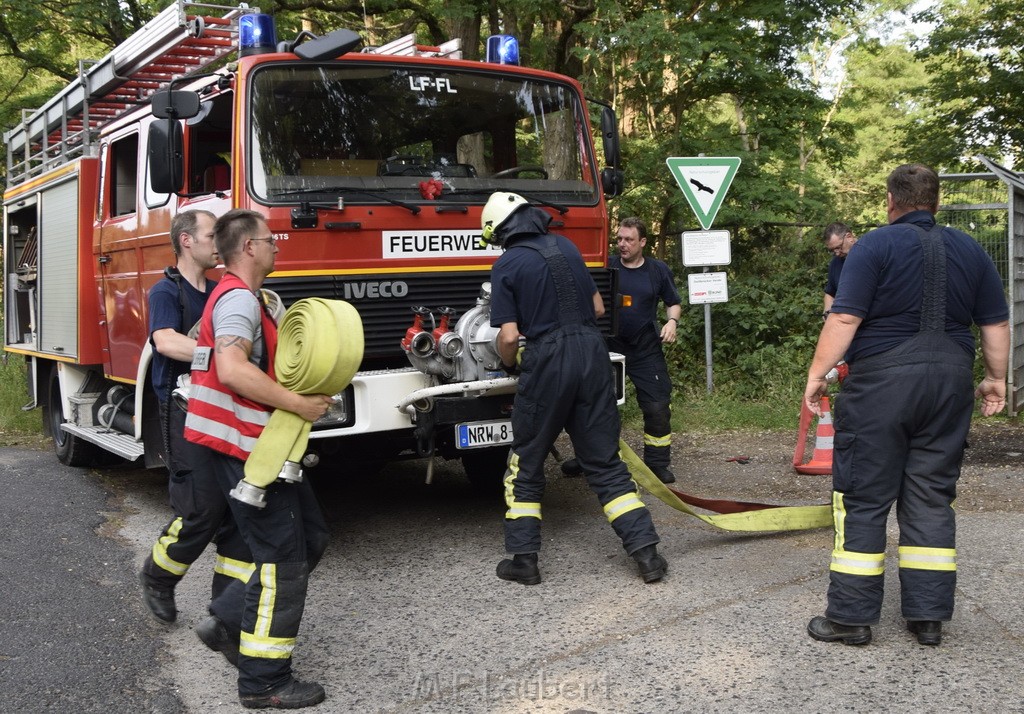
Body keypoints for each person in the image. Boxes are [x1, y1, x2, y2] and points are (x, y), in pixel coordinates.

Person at [803, 164, 1009, 647]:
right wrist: (996, 381)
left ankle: (851, 618)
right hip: (950, 385)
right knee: (932, 495)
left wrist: (816, 376)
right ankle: (928, 617)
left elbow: (845, 316)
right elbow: (995, 326)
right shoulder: (970, 248)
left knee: (867, 496)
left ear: (891, 201)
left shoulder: (873, 245)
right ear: (936, 203)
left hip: (881, 387)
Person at [184, 209, 334, 709]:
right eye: (271, 240)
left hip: (252, 447)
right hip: (247, 449)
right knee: (283, 560)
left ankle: (227, 622)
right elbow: (230, 368)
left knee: (310, 536)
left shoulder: (241, 299)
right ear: (248, 247)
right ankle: (264, 682)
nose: (277, 247)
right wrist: (298, 404)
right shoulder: (238, 302)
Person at [482, 192, 667, 586]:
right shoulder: (566, 247)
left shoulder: (507, 264)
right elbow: (599, 308)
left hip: (548, 360)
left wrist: (508, 362)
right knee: (604, 462)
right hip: (593, 353)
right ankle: (647, 554)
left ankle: (524, 560)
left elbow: (510, 337)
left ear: (501, 231)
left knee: (527, 460)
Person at [140, 209, 251, 624]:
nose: (217, 243)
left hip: (226, 407)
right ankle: (157, 577)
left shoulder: (224, 289)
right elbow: (165, 341)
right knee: (201, 507)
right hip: (184, 408)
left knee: (239, 506)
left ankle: (226, 609)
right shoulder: (165, 293)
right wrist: (217, 356)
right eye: (210, 235)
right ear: (186, 241)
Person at [562, 217, 682, 484]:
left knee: (657, 406)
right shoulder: (605, 266)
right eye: (619, 239)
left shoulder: (657, 270)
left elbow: (673, 303)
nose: (622, 244)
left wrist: (672, 322)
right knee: (592, 404)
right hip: (606, 347)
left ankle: (657, 465)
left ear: (642, 242)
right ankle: (588, 458)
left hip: (645, 347)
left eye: (629, 239)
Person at [821, 222, 858, 318]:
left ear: (849, 237)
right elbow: (830, 293)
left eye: (838, 247)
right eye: (832, 250)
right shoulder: (835, 263)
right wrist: (827, 313)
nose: (837, 253)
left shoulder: (870, 254)